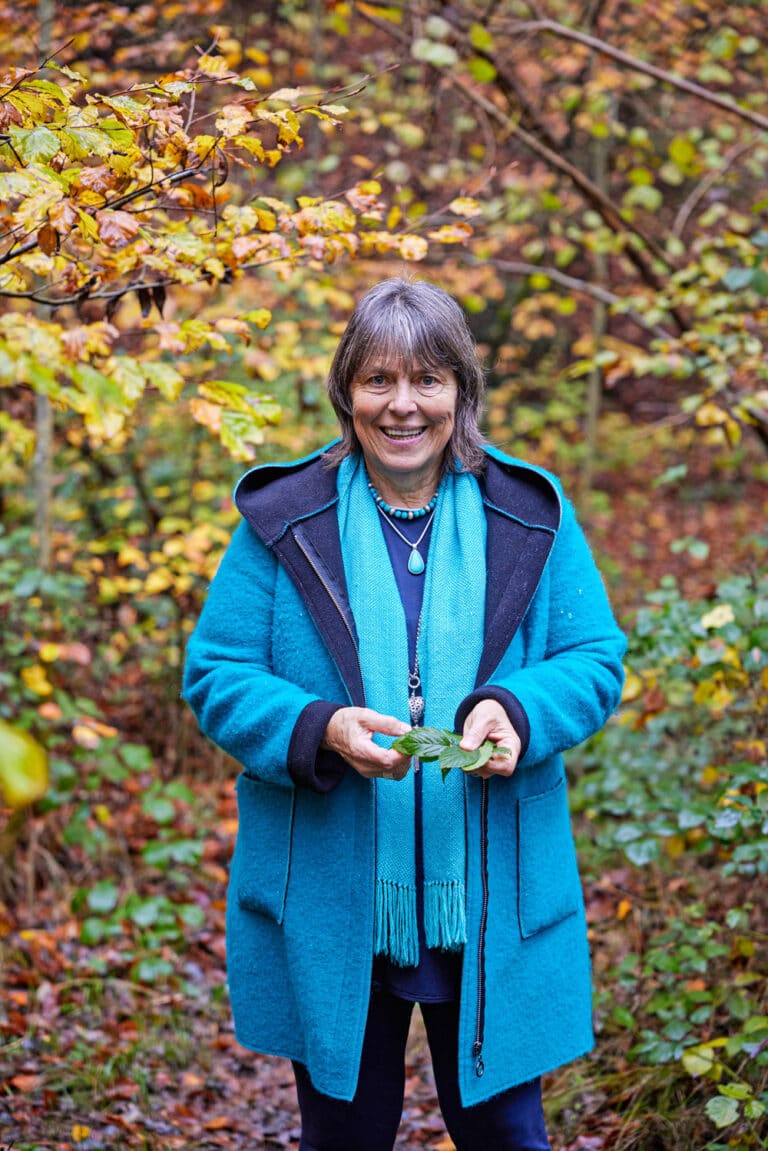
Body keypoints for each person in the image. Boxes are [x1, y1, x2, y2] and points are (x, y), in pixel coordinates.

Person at [182, 277, 627, 1151]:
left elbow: (593, 657)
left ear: (462, 389)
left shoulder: (527, 514)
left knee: (508, 1134)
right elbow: (217, 672)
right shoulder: (286, 518)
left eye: (427, 379)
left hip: (492, 886)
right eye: (378, 379)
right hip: (334, 887)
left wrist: (518, 710)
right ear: (345, 390)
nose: (403, 404)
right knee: (343, 1134)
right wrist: (321, 728)